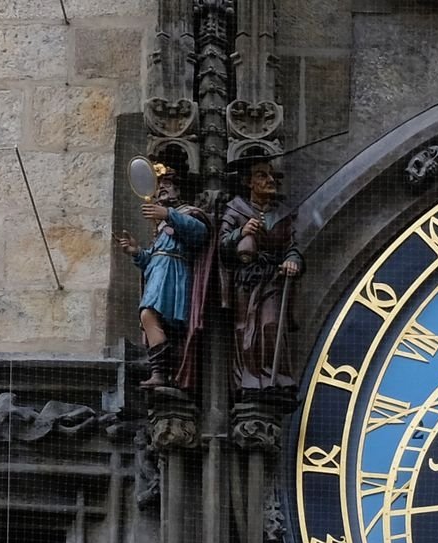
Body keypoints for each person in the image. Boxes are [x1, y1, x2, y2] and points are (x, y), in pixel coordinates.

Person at [117, 161, 208, 388]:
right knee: (153, 319)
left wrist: (168, 214)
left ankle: (162, 371)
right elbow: (152, 260)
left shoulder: (188, 213)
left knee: (149, 315)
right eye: (159, 185)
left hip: (174, 275)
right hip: (159, 273)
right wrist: (137, 252)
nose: (162, 188)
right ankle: (162, 372)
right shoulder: (159, 227)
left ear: (179, 189)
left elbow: (200, 234)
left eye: (167, 184)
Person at [221, 151, 303, 393]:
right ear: (248, 182)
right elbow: (222, 246)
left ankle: (274, 376)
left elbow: (293, 247)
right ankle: (249, 378)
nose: (270, 180)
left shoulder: (284, 215)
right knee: (246, 327)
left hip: (273, 278)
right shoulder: (235, 210)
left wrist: (292, 261)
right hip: (246, 279)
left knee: (271, 324)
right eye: (261, 175)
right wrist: (241, 232)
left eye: (271, 175)